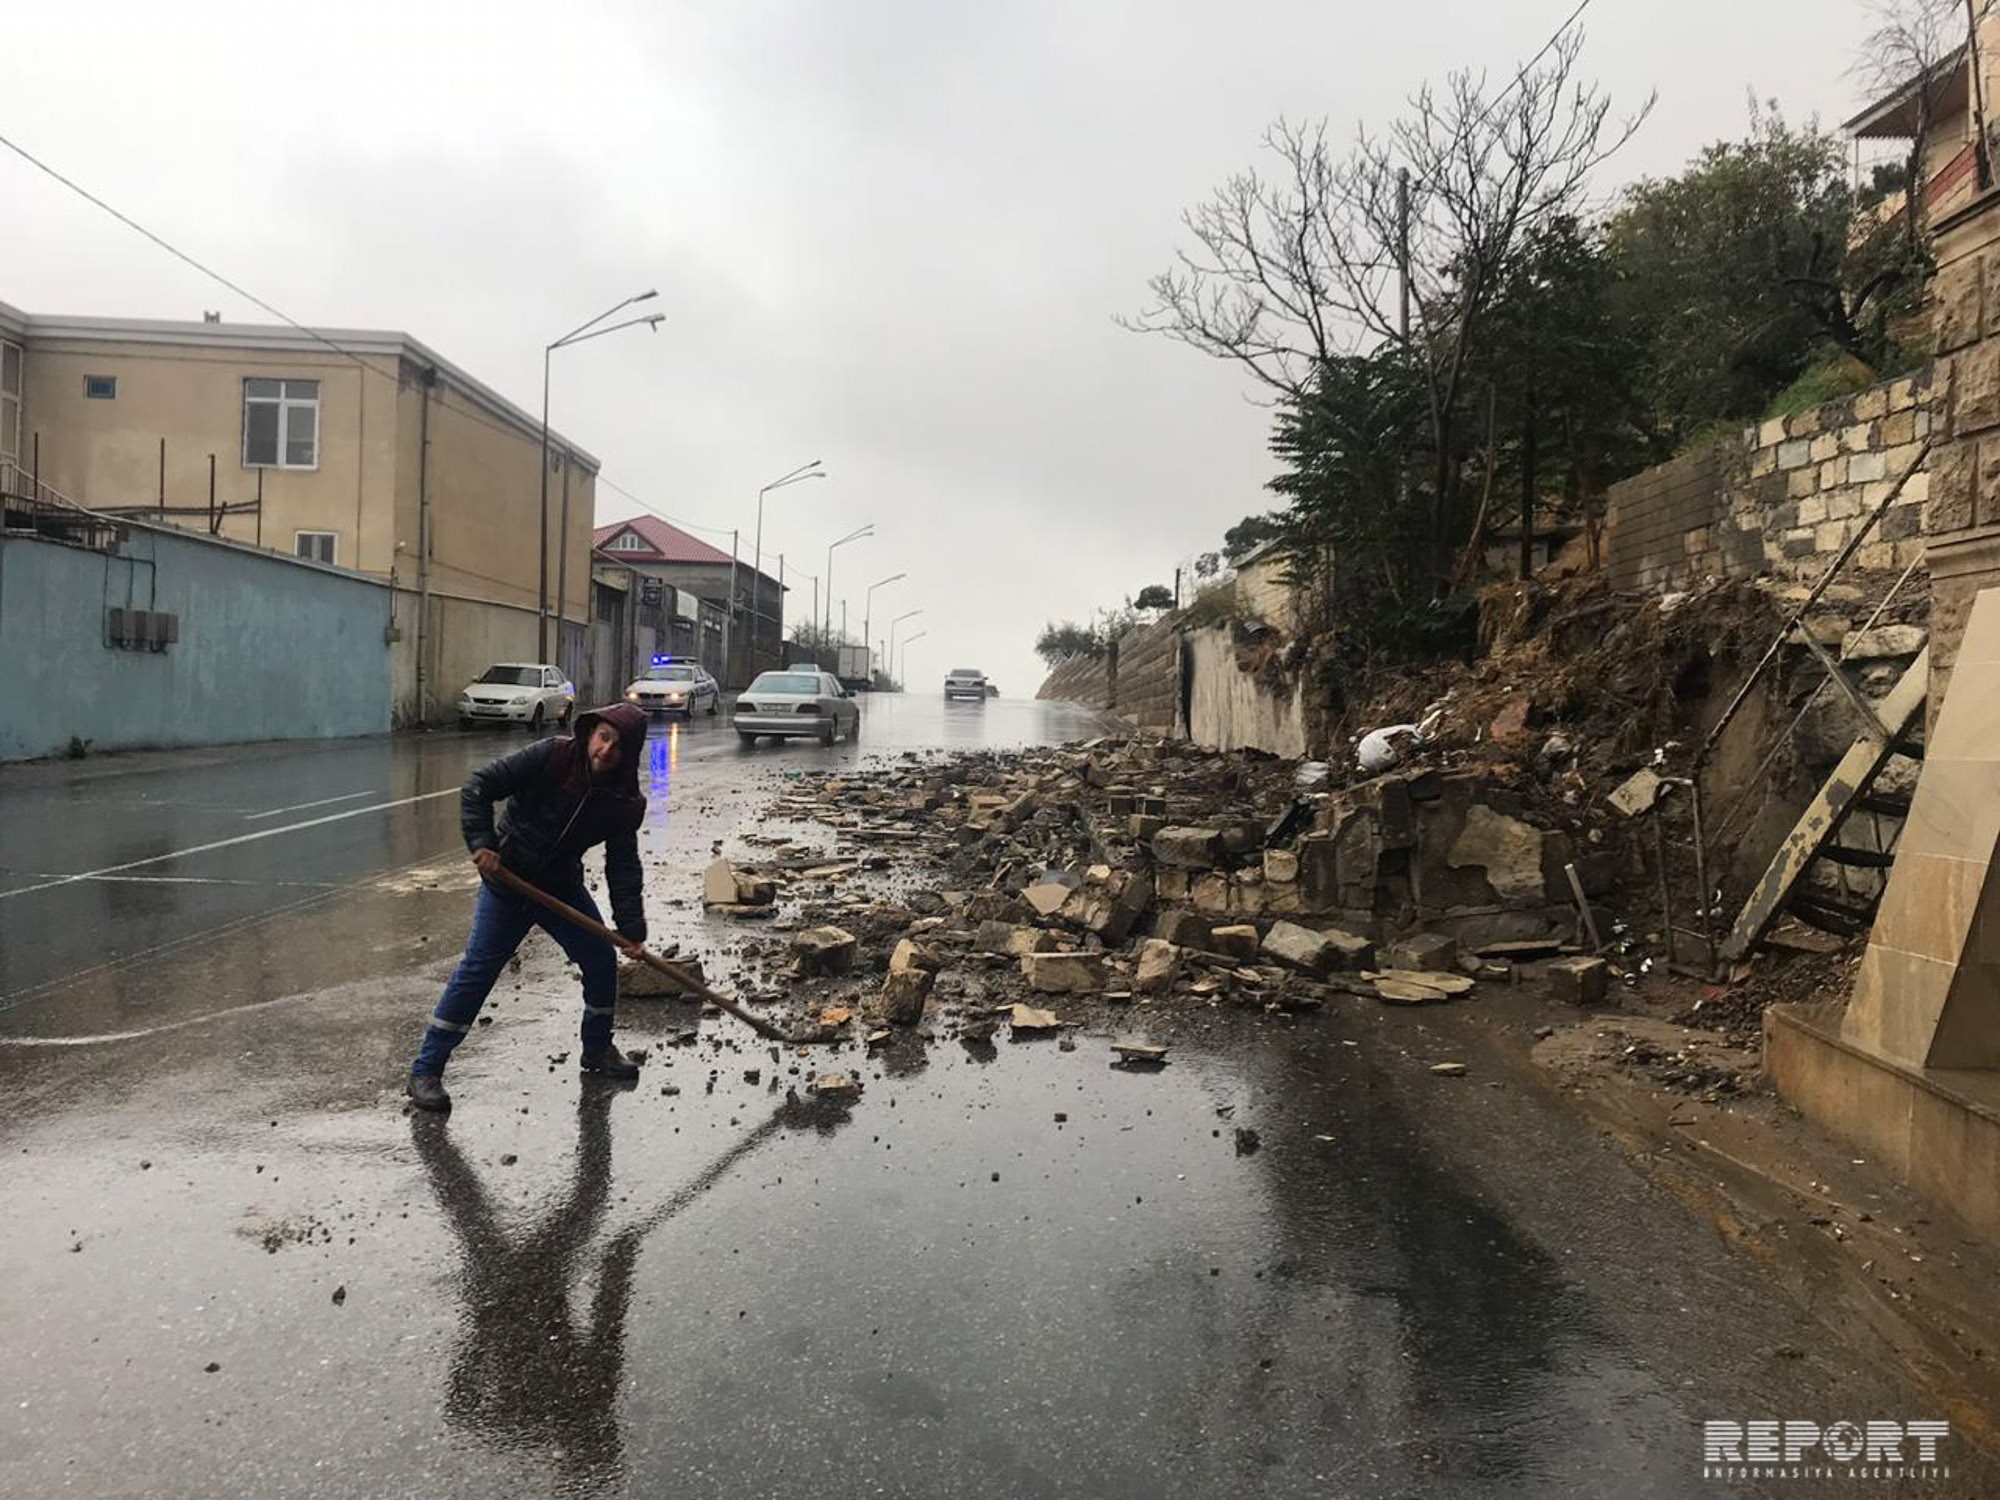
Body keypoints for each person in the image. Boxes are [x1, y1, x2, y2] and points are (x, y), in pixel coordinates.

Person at [407, 702, 651, 1112]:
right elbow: (479, 787)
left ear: (630, 754)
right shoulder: (553, 756)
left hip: (560, 890)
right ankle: (426, 1071)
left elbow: (623, 865)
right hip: (509, 883)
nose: (607, 749)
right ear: (590, 733)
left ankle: (597, 1051)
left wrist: (632, 930)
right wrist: (483, 844)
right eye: (603, 737)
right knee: (478, 971)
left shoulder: (624, 801)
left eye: (618, 744)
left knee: (600, 961)